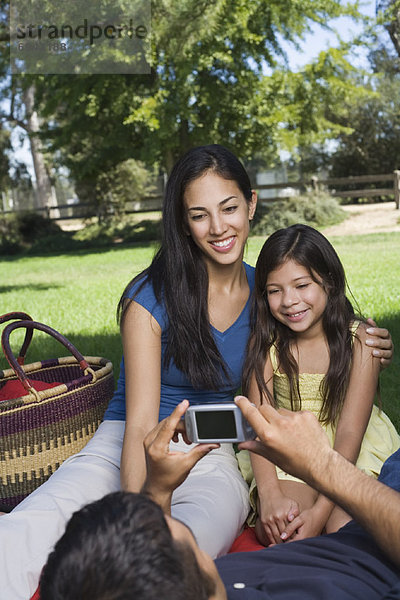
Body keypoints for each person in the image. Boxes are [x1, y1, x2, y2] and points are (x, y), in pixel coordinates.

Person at [0, 147, 394, 600]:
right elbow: (141, 428)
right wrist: (140, 512)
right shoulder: (149, 297)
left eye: (228, 208)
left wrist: (366, 340)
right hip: (126, 440)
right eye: (199, 215)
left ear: (250, 204)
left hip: (214, 447)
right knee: (34, 526)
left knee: (183, 552)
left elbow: (321, 333)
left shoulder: (270, 295)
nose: (219, 227)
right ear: (184, 222)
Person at [39, 399, 400, 600]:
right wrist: (323, 465)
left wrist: (160, 491)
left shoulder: (180, 585)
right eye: (166, 526)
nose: (155, 512)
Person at [237, 224, 400, 546]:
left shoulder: (362, 342)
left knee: (349, 530)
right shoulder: (265, 343)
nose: (289, 301)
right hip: (284, 448)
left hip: (347, 450)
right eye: (274, 290)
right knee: (283, 528)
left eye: (302, 285)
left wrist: (322, 512)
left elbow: (351, 434)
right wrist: (269, 496)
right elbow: (256, 423)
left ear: (329, 282)